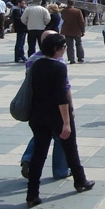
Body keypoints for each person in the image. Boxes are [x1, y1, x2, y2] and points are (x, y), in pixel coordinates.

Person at [25, 34, 95, 208]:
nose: (65, 49)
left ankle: (32, 194)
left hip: (38, 115)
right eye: (63, 46)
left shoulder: (36, 63)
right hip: (56, 115)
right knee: (70, 149)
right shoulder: (59, 67)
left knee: (39, 154)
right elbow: (61, 97)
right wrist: (66, 122)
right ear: (56, 49)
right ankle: (80, 180)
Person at [20, 30, 70, 181]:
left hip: (36, 106)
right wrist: (69, 115)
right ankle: (61, 170)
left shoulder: (32, 60)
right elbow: (64, 90)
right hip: (55, 108)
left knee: (41, 135)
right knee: (61, 136)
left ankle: (28, 159)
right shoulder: (58, 63)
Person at [60, 0, 86, 64]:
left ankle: (71, 59)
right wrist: (83, 30)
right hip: (77, 30)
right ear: (73, 4)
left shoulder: (63, 11)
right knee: (79, 44)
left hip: (67, 30)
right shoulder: (77, 11)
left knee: (69, 46)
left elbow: (63, 18)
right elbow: (82, 21)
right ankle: (80, 58)